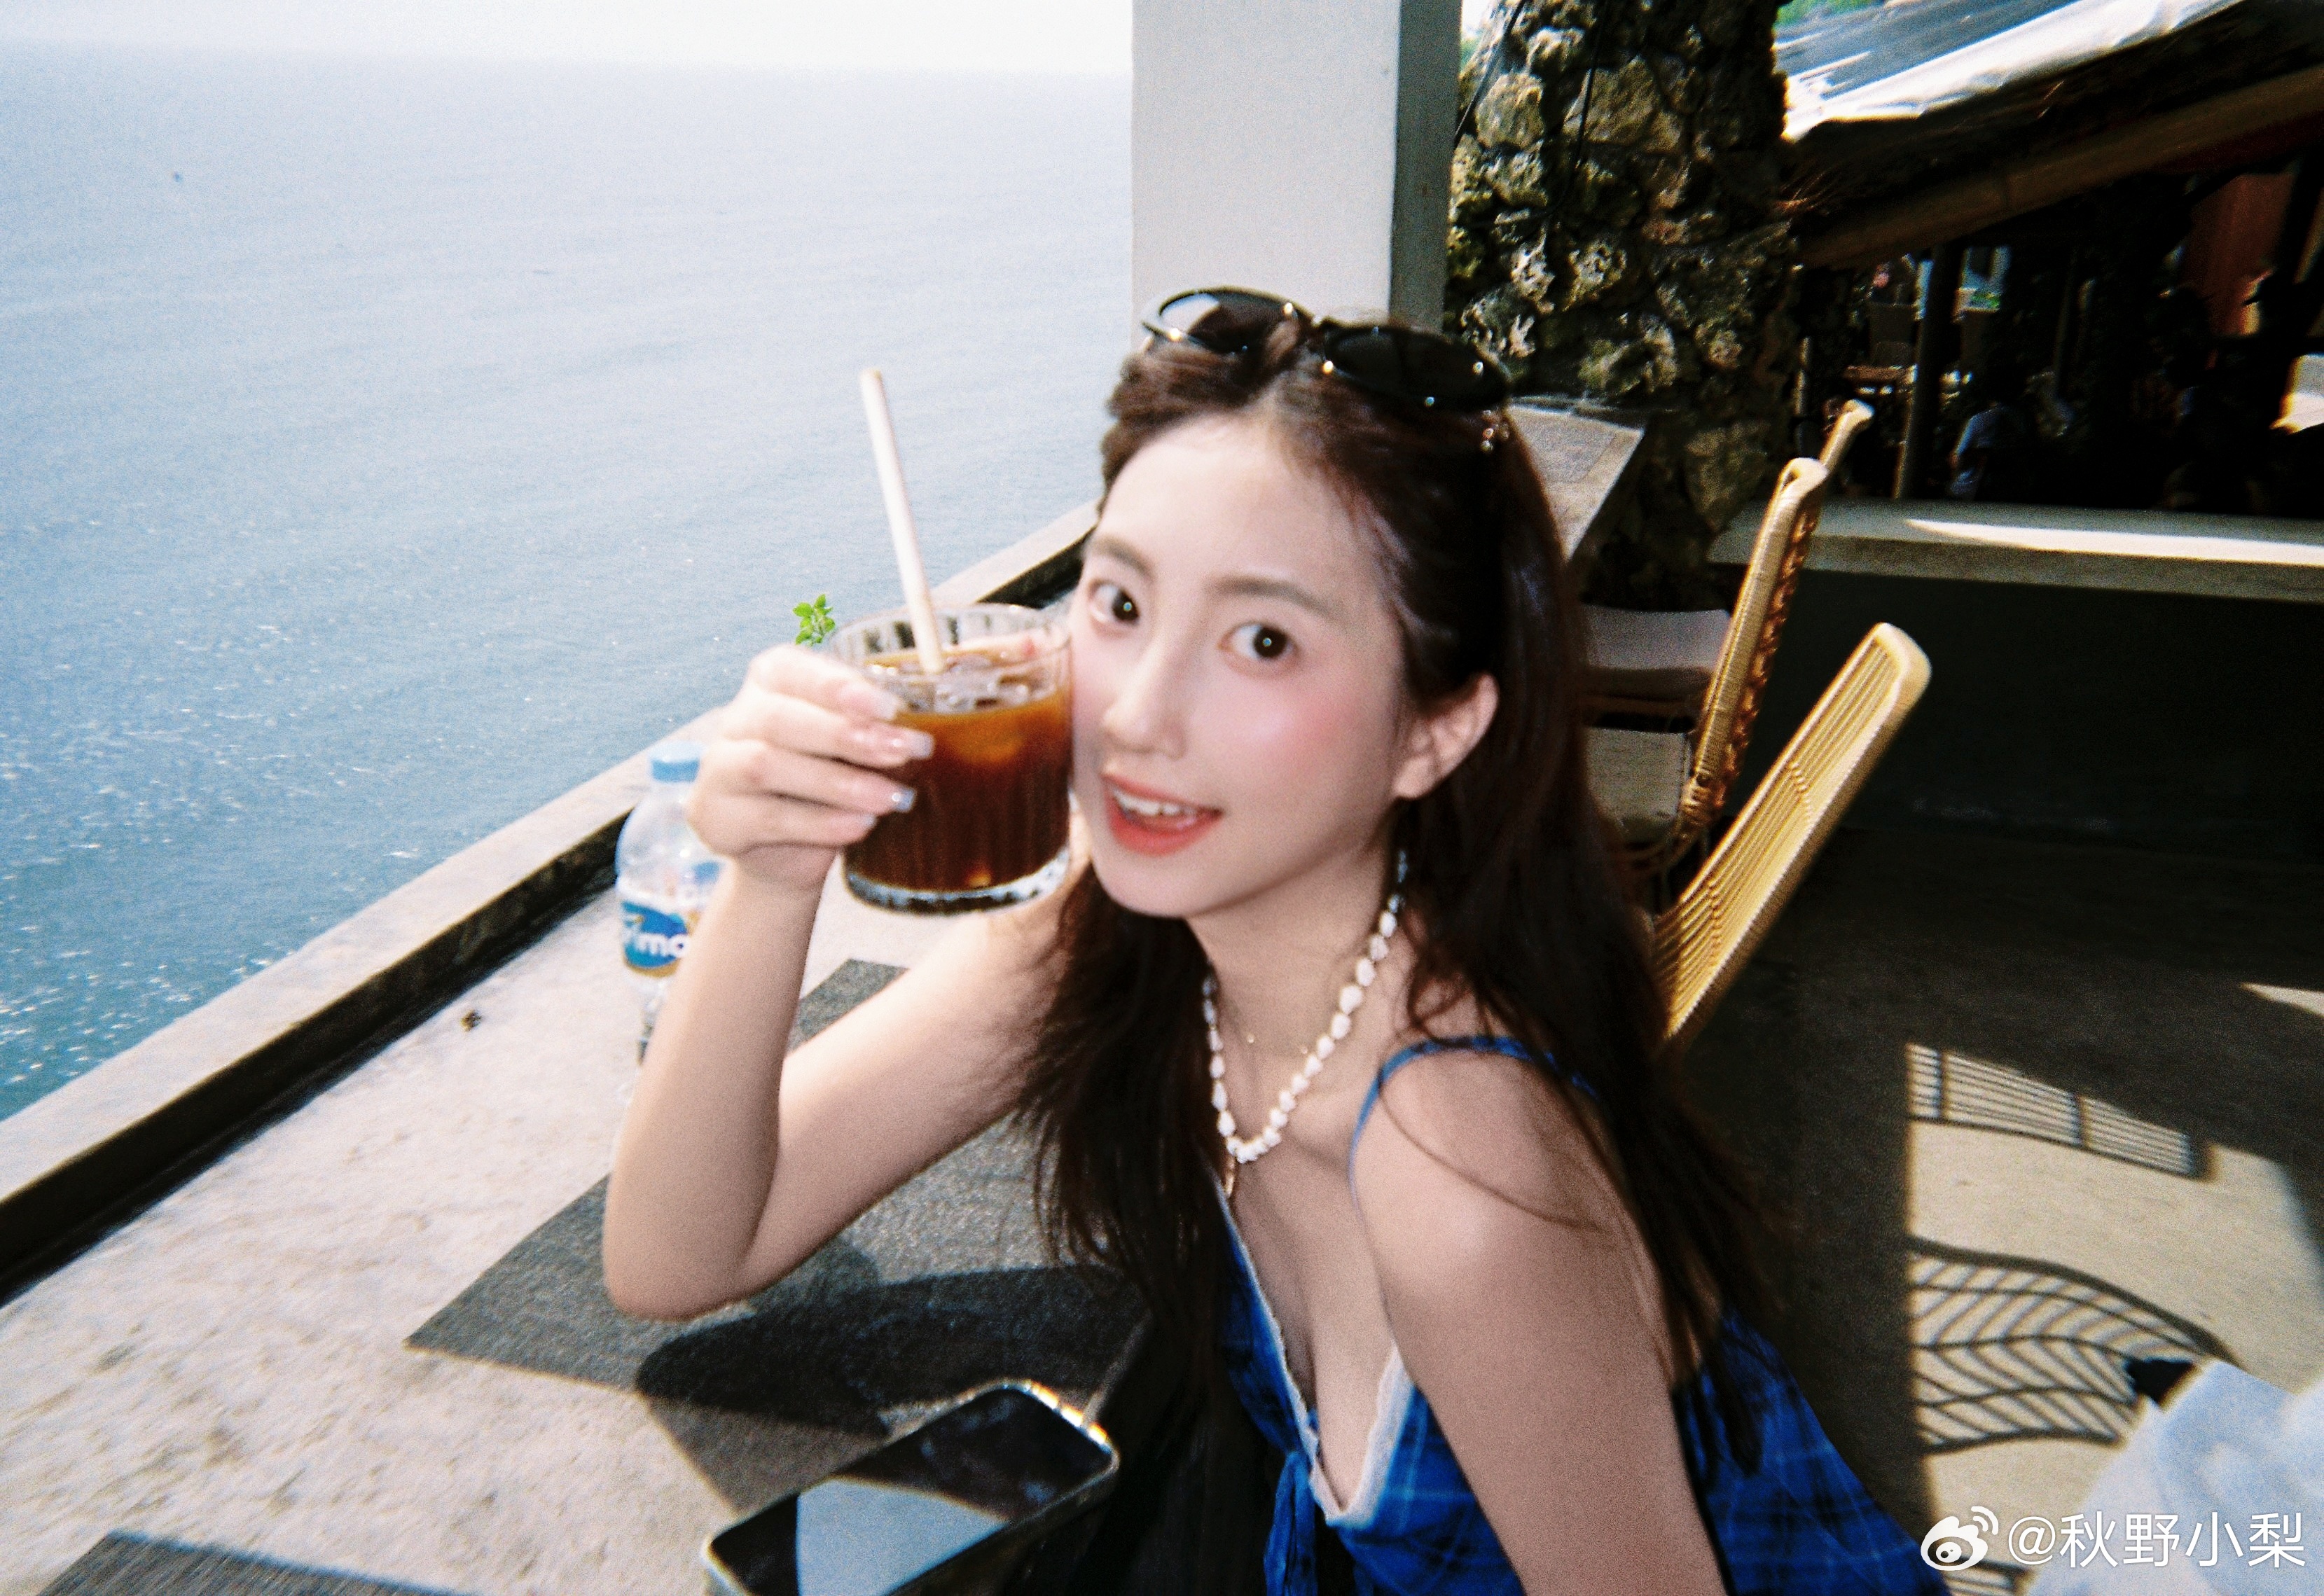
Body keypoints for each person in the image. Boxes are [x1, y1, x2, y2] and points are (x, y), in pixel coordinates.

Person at [603, 290, 1943, 1596]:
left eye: (1261, 641)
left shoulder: (1463, 1186)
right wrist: (770, 878)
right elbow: (675, 1256)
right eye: (1119, 606)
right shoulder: (1129, 944)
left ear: (1433, 730)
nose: (1138, 717)